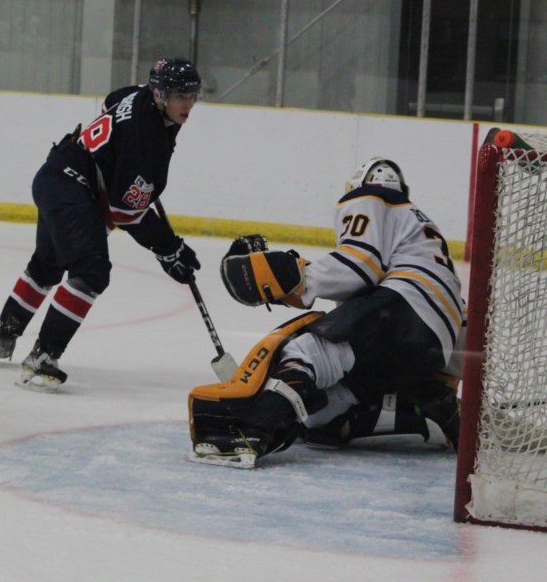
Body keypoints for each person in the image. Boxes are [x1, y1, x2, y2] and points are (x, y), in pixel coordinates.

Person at [187, 158, 466, 467]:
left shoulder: (372, 197)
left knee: (309, 351)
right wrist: (441, 379)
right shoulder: (421, 230)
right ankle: (425, 411)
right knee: (321, 416)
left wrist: (296, 279)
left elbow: (358, 267)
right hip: (432, 344)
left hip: (403, 308)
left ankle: (248, 430)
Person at [0, 58, 202, 393]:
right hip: (72, 186)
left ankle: (4, 335)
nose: (188, 104)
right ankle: (43, 357)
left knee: (48, 263)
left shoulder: (141, 98)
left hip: (57, 172)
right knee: (92, 270)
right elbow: (125, 213)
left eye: (192, 95)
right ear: (158, 94)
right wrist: (167, 246)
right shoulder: (147, 139)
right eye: (179, 96)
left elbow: (113, 99)